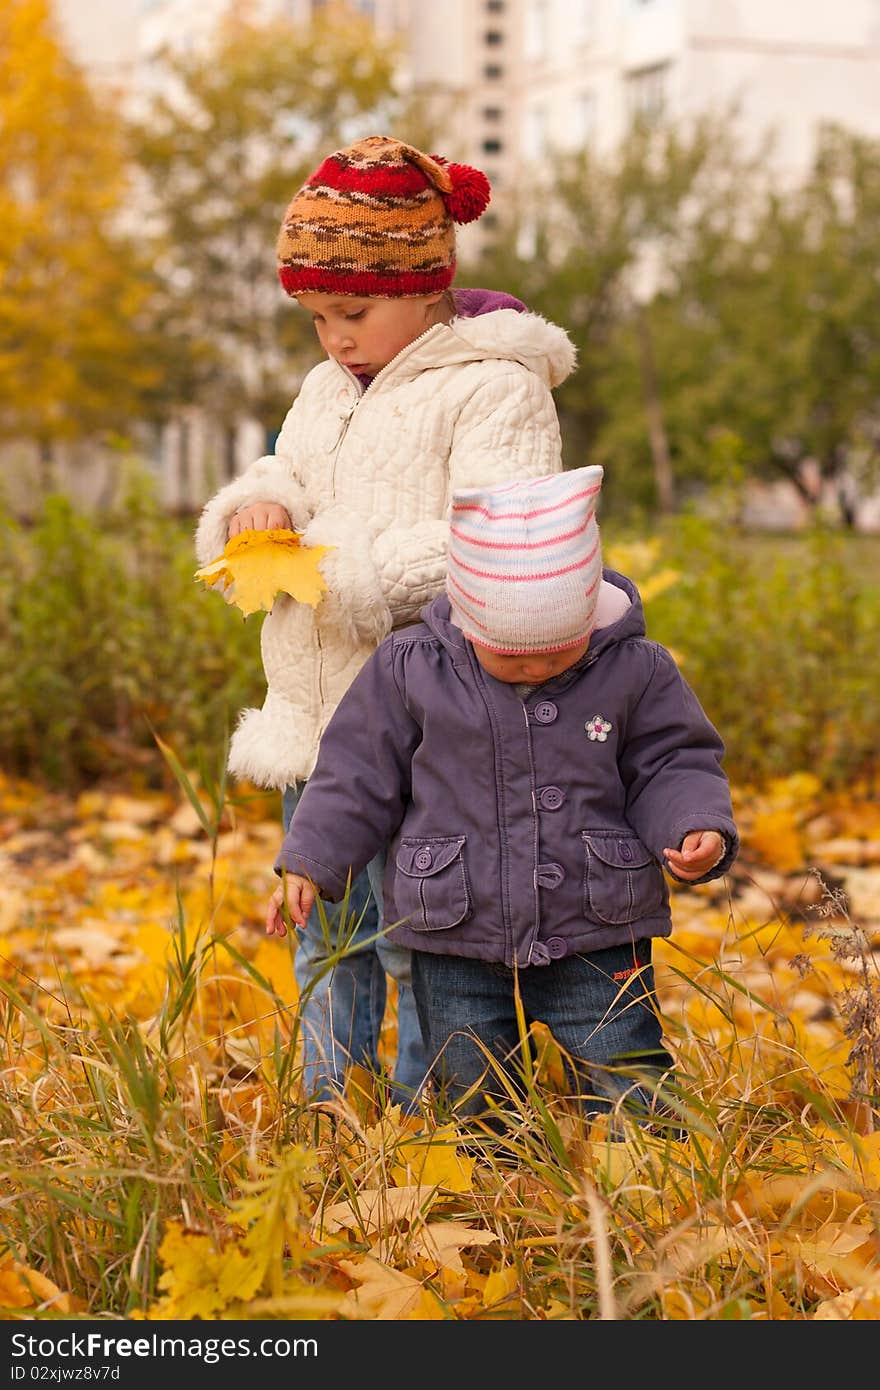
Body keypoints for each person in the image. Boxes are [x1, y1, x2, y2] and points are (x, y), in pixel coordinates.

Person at [194, 134, 578, 1112]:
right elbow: (293, 465)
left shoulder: (495, 387)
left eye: (352, 311)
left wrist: (338, 572)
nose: (333, 337)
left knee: (424, 937)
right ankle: (332, 1109)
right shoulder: (329, 388)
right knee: (328, 926)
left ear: (425, 283)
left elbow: (498, 540)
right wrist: (261, 503)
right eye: (317, 317)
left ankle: (429, 1123)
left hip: (429, 733)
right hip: (318, 713)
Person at [266, 465, 739, 1134]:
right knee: (472, 1077)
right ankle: (498, 1183)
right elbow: (355, 771)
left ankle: (651, 1165)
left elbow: (672, 761)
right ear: (465, 618)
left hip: (597, 922)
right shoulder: (411, 669)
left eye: (556, 654)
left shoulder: (636, 670)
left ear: (588, 610)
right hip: (456, 925)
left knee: (625, 1058)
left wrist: (696, 823)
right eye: (510, 657)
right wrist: (311, 858)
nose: (536, 668)